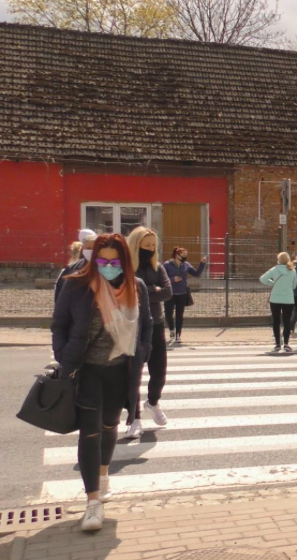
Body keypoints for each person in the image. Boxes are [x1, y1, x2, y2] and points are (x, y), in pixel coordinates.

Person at [51, 233, 152, 532]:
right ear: (94, 259)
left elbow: (146, 326)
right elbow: (59, 324)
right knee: (90, 431)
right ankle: (92, 501)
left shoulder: (137, 287)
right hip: (87, 370)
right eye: (103, 260)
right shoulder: (77, 284)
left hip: (121, 370)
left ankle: (104, 475)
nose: (108, 266)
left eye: (114, 261)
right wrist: (64, 355)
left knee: (110, 425)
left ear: (124, 261)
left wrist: (143, 354)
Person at [123, 227, 173, 440]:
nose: (152, 249)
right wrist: (153, 290)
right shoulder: (127, 268)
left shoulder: (158, 267)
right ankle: (134, 419)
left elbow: (169, 292)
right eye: (147, 246)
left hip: (157, 324)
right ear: (136, 246)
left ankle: (153, 402)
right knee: (133, 375)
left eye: (154, 246)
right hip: (132, 326)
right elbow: (127, 295)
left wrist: (146, 291)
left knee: (159, 372)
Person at [163, 247, 207, 345]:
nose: (185, 257)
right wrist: (172, 279)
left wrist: (202, 263)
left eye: (186, 255)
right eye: (183, 255)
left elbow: (196, 274)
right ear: (176, 255)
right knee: (168, 314)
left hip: (182, 293)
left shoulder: (186, 265)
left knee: (180, 315)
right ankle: (171, 330)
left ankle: (178, 335)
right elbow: (162, 278)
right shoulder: (167, 265)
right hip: (170, 293)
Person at [260, 252, 297, 353]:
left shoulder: (275, 269)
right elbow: (294, 286)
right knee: (287, 321)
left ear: (279, 259)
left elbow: (262, 279)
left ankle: (277, 344)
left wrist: (272, 283)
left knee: (276, 321)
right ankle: (286, 343)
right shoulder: (293, 271)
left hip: (275, 299)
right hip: (288, 299)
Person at [55, 229, 97, 302]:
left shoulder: (103, 269)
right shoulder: (70, 271)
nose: (91, 251)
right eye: (88, 248)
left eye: (93, 248)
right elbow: (60, 299)